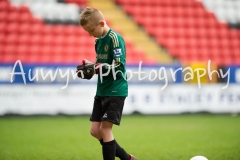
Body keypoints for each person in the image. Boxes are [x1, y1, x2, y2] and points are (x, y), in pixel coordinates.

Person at [78, 7, 137, 160]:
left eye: (91, 30)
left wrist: (98, 67)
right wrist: (91, 68)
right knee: (95, 131)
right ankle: (127, 158)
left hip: (116, 91)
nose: (90, 34)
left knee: (105, 130)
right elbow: (101, 64)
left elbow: (119, 66)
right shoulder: (98, 42)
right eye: (88, 32)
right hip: (102, 90)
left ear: (102, 23)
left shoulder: (115, 38)